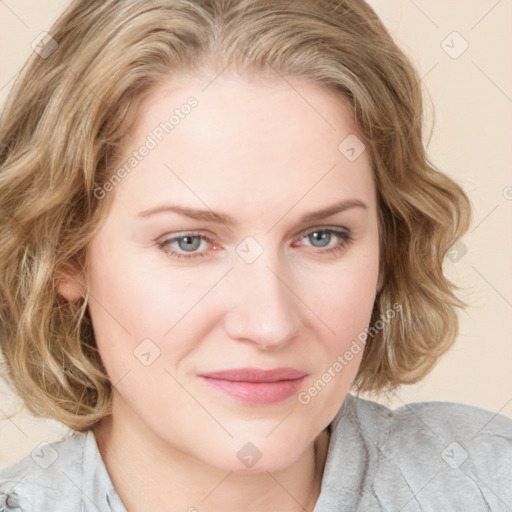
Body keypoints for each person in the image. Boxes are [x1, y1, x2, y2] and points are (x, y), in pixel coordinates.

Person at [0, 0, 510, 510]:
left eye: (321, 237)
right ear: (63, 254)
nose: (270, 325)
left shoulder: (486, 480)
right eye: (189, 242)